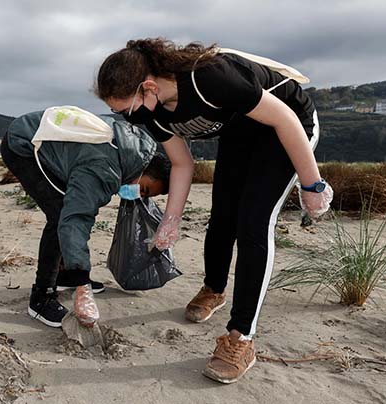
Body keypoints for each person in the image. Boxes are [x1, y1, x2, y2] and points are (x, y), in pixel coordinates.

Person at [95, 38, 333, 383]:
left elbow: (285, 120)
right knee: (222, 217)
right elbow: (181, 164)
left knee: (253, 223)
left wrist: (312, 185)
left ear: (148, 87)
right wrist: (169, 223)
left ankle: (240, 337)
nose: (125, 117)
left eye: (125, 109)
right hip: (242, 133)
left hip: (288, 125)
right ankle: (214, 289)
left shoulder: (212, 77)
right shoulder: (153, 112)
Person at [1, 106, 171, 328]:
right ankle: (41, 297)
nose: (139, 195)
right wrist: (82, 284)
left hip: (43, 134)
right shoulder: (104, 168)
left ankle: (63, 275)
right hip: (24, 145)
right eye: (145, 189)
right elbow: (75, 220)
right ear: (147, 171)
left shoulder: (137, 147)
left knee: (65, 208)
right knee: (61, 215)